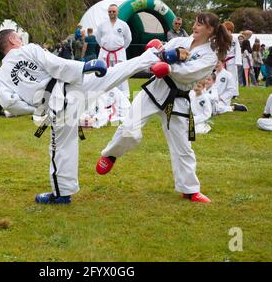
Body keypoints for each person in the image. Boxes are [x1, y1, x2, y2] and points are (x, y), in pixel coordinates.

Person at [0, 29, 186, 204]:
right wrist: (84, 67)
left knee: (61, 148)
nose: (21, 39)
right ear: (11, 39)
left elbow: (11, 104)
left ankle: (62, 194)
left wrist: (37, 108)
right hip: (72, 86)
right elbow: (55, 64)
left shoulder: (0, 77)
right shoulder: (30, 50)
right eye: (18, 37)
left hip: (56, 104)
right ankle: (154, 55)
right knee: (114, 74)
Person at [96, 12, 233, 204]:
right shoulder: (181, 41)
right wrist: (160, 52)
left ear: (210, 30)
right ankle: (110, 154)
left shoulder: (209, 56)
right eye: (195, 22)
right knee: (129, 129)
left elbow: (188, 73)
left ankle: (190, 190)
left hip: (177, 99)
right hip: (154, 91)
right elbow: (159, 52)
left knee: (182, 146)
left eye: (200, 25)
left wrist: (169, 67)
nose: (195, 26)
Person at [96, 4, 132, 99]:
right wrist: (105, 47)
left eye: (113, 11)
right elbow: (98, 38)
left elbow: (128, 39)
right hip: (105, 53)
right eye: (110, 11)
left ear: (117, 12)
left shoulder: (123, 25)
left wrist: (121, 48)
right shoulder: (102, 25)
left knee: (121, 72)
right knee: (102, 72)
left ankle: (124, 95)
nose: (111, 13)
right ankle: (101, 94)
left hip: (119, 53)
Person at [222, 21, 242, 97]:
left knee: (233, 77)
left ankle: (234, 93)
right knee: (223, 76)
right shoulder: (221, 38)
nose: (227, 32)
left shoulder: (235, 38)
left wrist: (238, 61)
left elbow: (238, 50)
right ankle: (223, 91)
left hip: (231, 60)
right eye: (225, 30)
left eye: (228, 30)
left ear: (231, 31)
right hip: (223, 60)